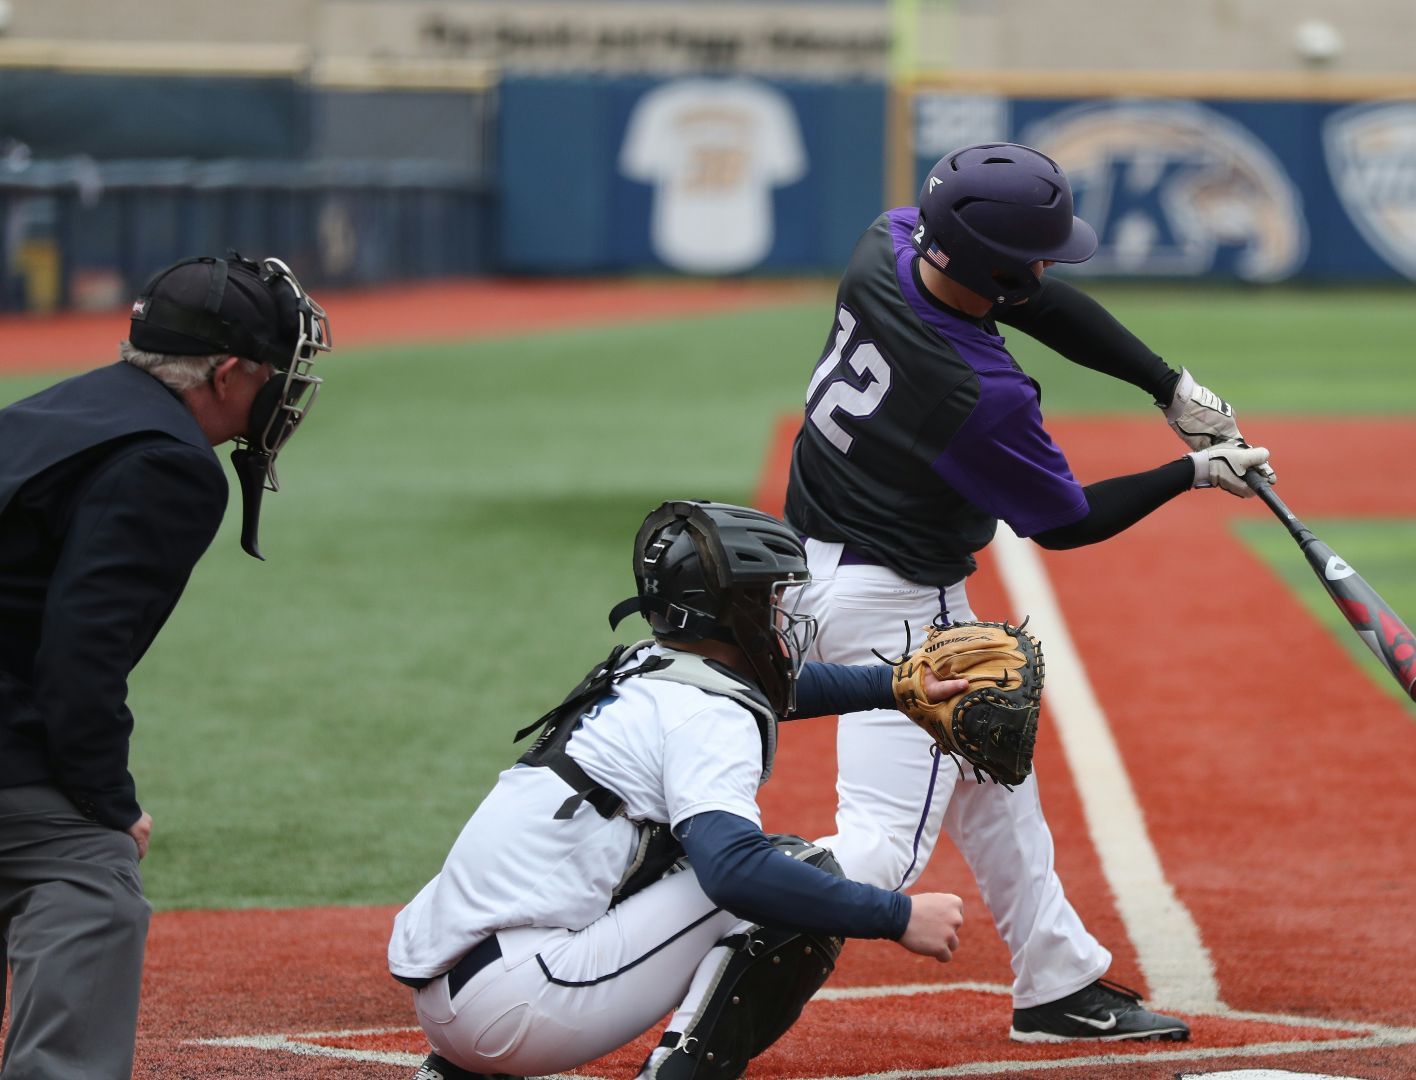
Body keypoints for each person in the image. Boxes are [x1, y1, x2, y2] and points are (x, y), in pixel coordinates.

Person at [782, 142, 1271, 1043]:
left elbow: (1030, 296)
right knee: (883, 848)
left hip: (807, 565)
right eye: (1037, 253)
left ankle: (1056, 979)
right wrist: (1195, 471)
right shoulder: (980, 394)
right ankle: (698, 901)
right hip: (897, 604)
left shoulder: (885, 245)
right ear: (993, 267)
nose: (1050, 265)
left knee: (992, 769)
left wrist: (1167, 385)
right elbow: (1065, 522)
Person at [390, 501, 972, 1080]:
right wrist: (897, 916)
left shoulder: (645, 665)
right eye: (771, 598)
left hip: (460, 995)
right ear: (735, 611)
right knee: (787, 871)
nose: (783, 612)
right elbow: (736, 874)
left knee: (689, 857)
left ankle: (455, 1072)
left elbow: (779, 689)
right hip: (519, 1010)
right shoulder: (708, 718)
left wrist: (897, 684)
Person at [0, 252, 329, 1078]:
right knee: (90, 881)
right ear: (226, 373)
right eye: (272, 371)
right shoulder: (167, 461)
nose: (283, 389)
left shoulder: (65, 406)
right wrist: (107, 803)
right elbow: (82, 658)